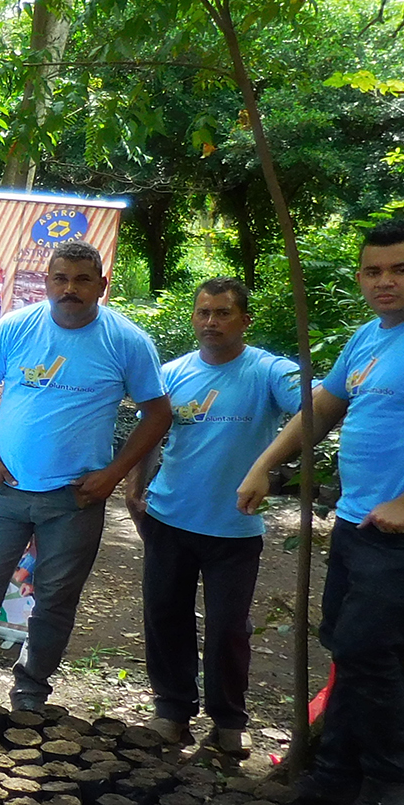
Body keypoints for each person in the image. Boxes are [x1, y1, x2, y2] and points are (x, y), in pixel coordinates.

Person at [239, 220, 404, 805]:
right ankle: (336, 770)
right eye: (374, 271)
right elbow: (322, 408)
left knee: (367, 650)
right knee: (346, 646)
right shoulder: (369, 338)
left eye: (401, 269)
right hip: (359, 526)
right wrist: (265, 465)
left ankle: (389, 777)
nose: (385, 281)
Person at [0, 241, 170, 712]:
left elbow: (157, 413)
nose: (70, 289)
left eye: (82, 279)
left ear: (101, 285)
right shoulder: (14, 327)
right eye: (60, 278)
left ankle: (31, 689)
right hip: (4, 491)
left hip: (75, 499)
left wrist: (114, 475)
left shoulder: (126, 342)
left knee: (54, 602)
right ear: (46, 282)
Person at [125, 278, 301, 755]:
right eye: (203, 313)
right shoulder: (174, 373)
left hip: (235, 527)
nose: (211, 323)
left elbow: (316, 408)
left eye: (223, 313)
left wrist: (269, 468)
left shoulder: (270, 372)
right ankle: (172, 710)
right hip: (169, 517)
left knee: (228, 626)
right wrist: (135, 486)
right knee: (165, 615)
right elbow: (152, 428)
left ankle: (228, 718)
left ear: (244, 319)